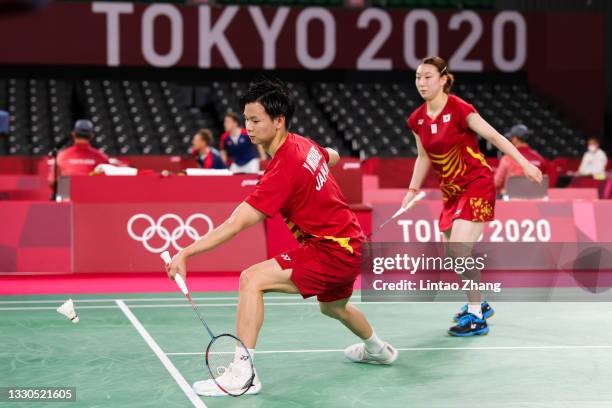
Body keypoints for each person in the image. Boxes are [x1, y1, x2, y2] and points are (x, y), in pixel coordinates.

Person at [166, 78, 397, 397]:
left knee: (252, 279)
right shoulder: (303, 144)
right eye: (246, 119)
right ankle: (378, 350)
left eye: (255, 120)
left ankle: (243, 376)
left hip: (332, 251)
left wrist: (185, 253)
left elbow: (235, 224)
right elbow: (332, 155)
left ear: (278, 121)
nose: (248, 127)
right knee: (333, 308)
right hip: (353, 245)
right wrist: (318, 166)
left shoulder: (283, 168)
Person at [403, 56, 543, 336]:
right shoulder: (416, 119)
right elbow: (422, 157)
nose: (422, 82)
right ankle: (481, 302)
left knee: (459, 250)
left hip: (476, 183)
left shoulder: (459, 109)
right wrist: (412, 189)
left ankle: (477, 316)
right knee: (452, 256)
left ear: (443, 79)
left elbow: (496, 138)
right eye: (418, 77)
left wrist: (525, 163)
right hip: (451, 192)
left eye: (428, 76)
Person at [48, 119, 109, 186]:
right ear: (92, 136)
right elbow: (106, 183)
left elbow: (52, 181)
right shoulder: (102, 157)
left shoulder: (61, 156)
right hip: (91, 192)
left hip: (66, 192)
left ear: (73, 134)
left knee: (63, 182)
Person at [494, 124, 548, 193]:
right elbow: (545, 181)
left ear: (515, 139)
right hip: (536, 199)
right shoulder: (539, 158)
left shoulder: (507, 158)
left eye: (511, 138)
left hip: (512, 200)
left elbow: (497, 183)